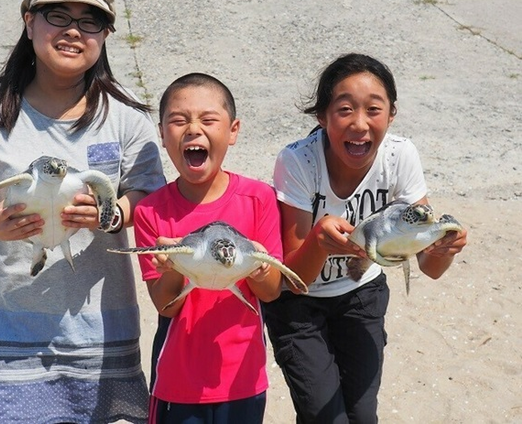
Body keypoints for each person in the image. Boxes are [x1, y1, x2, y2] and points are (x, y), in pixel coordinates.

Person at [0, 0, 165, 423]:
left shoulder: (124, 117)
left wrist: (112, 213)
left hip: (98, 330)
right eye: (57, 15)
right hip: (5, 321)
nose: (73, 32)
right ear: (29, 22)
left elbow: (148, 192)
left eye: (90, 21)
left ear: (105, 34)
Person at [262, 53, 468, 424]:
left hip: (362, 295)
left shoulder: (400, 155)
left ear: (391, 114)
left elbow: (430, 267)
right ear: (322, 117)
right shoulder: (297, 162)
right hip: (299, 307)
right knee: (325, 418)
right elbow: (293, 277)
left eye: (374, 109)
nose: (360, 124)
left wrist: (444, 248)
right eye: (344, 109)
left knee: (361, 415)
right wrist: (318, 243)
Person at [132, 73, 285, 423]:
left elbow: (272, 291)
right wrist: (171, 267)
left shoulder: (258, 198)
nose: (193, 129)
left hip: (243, 379)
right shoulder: (151, 212)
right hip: (176, 381)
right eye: (179, 120)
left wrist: (260, 268)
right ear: (162, 132)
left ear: (233, 130)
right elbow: (165, 306)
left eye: (208, 119)